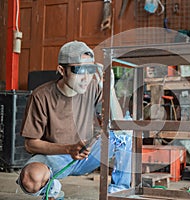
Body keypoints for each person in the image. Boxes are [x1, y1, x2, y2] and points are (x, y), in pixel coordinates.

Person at [16, 41, 132, 199]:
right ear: (62, 70)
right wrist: (68, 149)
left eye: (90, 69)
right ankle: (52, 190)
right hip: (57, 157)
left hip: (89, 154)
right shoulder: (41, 96)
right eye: (78, 70)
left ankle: (119, 190)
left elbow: (120, 125)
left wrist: (109, 89)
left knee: (126, 130)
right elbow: (30, 144)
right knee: (30, 179)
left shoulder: (93, 87)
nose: (86, 78)